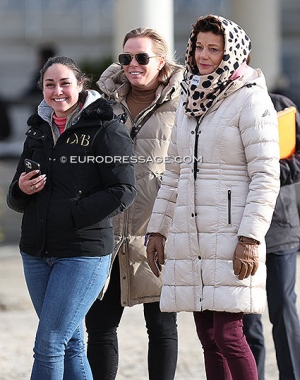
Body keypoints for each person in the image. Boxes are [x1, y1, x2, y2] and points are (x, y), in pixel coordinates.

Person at [145, 14, 280, 380]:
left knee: (229, 334)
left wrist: (250, 238)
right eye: (200, 47)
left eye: (214, 49)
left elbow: (266, 175)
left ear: (231, 53)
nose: (204, 56)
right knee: (207, 336)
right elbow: (173, 172)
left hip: (232, 234)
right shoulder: (189, 98)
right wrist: (157, 229)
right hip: (192, 236)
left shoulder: (251, 99)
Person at [6, 56, 136, 379]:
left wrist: (76, 214)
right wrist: (21, 188)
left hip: (83, 253)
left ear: (81, 85)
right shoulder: (36, 130)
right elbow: (14, 196)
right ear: (42, 89)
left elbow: (123, 190)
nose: (58, 91)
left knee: (49, 342)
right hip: (36, 253)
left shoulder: (106, 129)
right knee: (71, 343)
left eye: (65, 83)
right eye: (50, 84)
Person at [84, 27, 184, 380]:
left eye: (142, 57)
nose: (132, 64)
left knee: (160, 326)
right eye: (126, 57)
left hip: (156, 230)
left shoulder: (184, 105)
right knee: (98, 326)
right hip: (106, 230)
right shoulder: (100, 104)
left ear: (162, 61)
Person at [243, 91, 300, 380]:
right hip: (239, 230)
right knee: (247, 319)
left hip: (280, 228)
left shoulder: (281, 107)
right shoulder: (219, 108)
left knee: (284, 309)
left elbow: (298, 158)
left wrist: (267, 171)